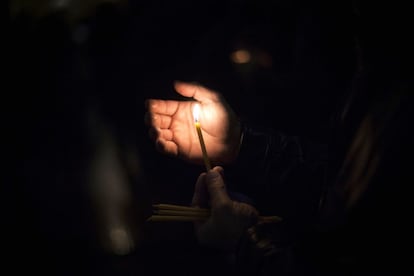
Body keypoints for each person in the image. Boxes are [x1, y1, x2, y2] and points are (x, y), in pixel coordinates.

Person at [144, 2, 412, 275]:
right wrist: (241, 143)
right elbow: (338, 183)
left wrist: (243, 242)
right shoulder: (382, 63)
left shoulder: (397, 88)